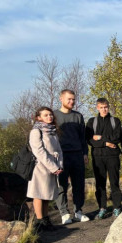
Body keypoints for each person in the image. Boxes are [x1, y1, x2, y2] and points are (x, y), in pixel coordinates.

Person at [54, 89, 90, 224]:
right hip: (61, 156)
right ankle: (64, 213)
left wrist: (85, 153)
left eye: (73, 99)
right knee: (61, 186)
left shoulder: (78, 116)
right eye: (69, 99)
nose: (72, 102)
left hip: (77, 155)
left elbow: (83, 138)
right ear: (61, 99)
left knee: (79, 185)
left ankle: (78, 211)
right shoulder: (54, 116)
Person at [27, 107, 63, 231]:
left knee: (48, 194)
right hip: (40, 168)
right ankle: (40, 221)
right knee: (39, 194)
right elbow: (39, 151)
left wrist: (59, 165)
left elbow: (58, 150)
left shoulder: (52, 131)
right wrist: (53, 166)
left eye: (51, 115)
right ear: (39, 117)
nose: (50, 117)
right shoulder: (36, 131)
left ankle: (46, 220)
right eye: (46, 115)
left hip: (52, 167)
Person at [86, 98, 122, 219]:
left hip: (112, 156)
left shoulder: (115, 121)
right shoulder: (92, 122)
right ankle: (102, 208)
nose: (104, 110)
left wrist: (100, 137)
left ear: (109, 106)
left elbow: (117, 138)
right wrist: (106, 143)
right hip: (98, 157)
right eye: (101, 107)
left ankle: (116, 207)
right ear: (97, 108)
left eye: (106, 107)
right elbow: (89, 140)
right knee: (100, 184)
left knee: (114, 183)